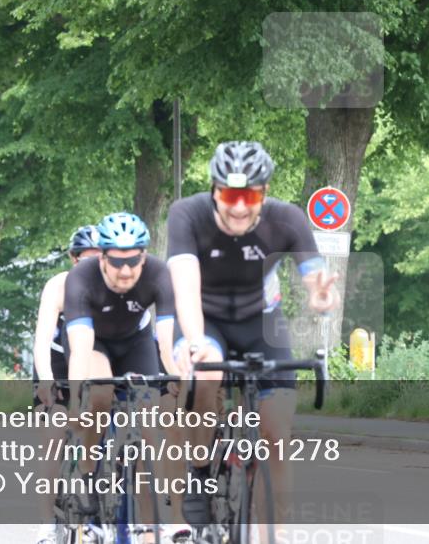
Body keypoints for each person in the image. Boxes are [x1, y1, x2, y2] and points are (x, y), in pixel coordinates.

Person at [167, 141, 339, 533]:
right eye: (230, 195)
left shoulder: (287, 219)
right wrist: (195, 343)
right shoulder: (186, 215)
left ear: (264, 193)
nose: (240, 207)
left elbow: (318, 281)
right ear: (214, 190)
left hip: (261, 320)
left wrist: (321, 295)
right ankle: (199, 472)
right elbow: (185, 290)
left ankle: (273, 529)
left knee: (276, 432)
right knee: (206, 372)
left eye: (251, 196)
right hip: (204, 317)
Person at [63, 212, 177, 543]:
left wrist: (178, 378)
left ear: (144, 256)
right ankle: (86, 475)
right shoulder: (81, 278)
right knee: (99, 394)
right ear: (103, 258)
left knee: (148, 422)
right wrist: (73, 402)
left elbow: (167, 343)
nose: (125, 270)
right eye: (116, 261)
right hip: (94, 343)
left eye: (133, 260)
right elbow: (81, 351)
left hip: (136, 343)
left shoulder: (158, 273)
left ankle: (149, 524)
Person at [32, 225, 102, 544]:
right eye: (87, 259)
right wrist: (46, 379)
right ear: (74, 260)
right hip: (59, 363)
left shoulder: (115, 285)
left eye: (101, 258)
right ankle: (46, 524)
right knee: (54, 437)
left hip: (95, 363)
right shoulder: (58, 286)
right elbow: (42, 340)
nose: (94, 266)